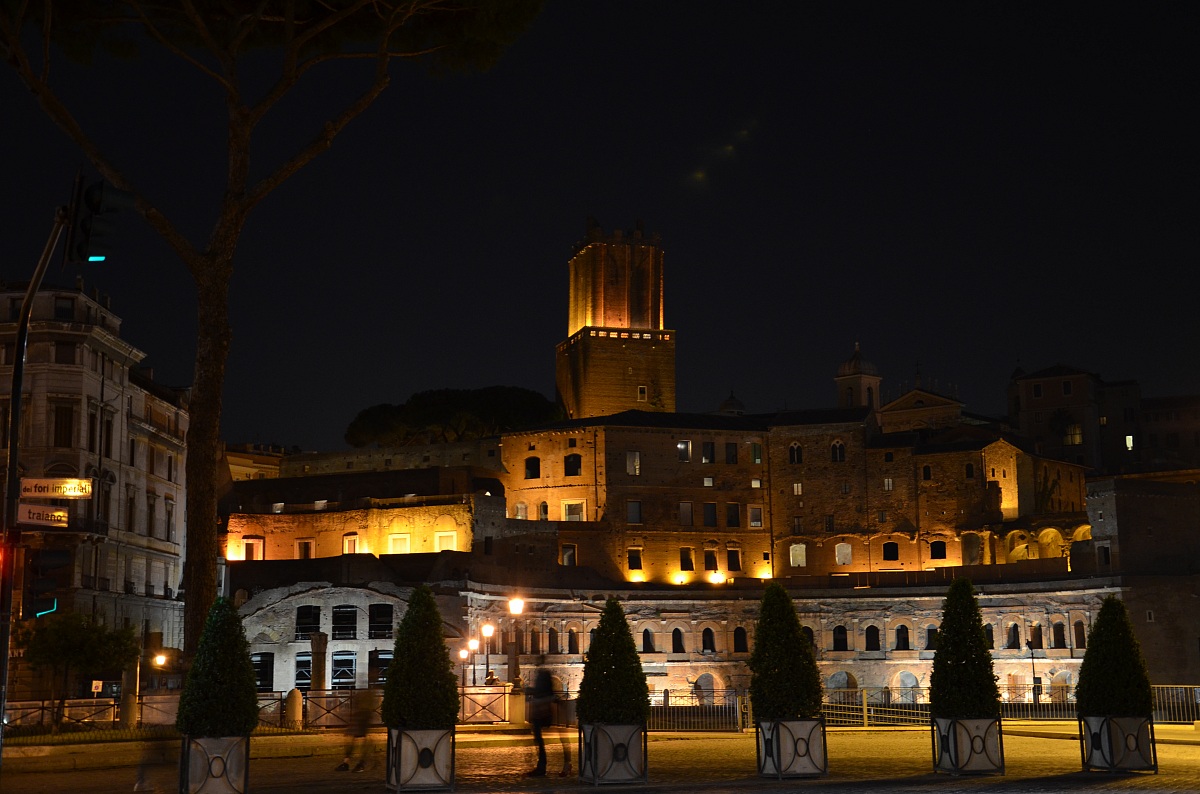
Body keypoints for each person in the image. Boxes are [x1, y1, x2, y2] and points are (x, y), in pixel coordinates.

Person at [336, 688, 376, 772]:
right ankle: (351, 763)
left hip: (363, 715)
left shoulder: (368, 692)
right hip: (361, 714)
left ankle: (359, 763)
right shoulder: (369, 690)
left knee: (357, 739)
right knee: (353, 738)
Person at [525, 666, 553, 777]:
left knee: (539, 741)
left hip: (541, 713)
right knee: (538, 740)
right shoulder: (544, 675)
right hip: (541, 713)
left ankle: (541, 766)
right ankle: (541, 766)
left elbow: (542, 693)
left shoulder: (543, 676)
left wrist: (529, 690)